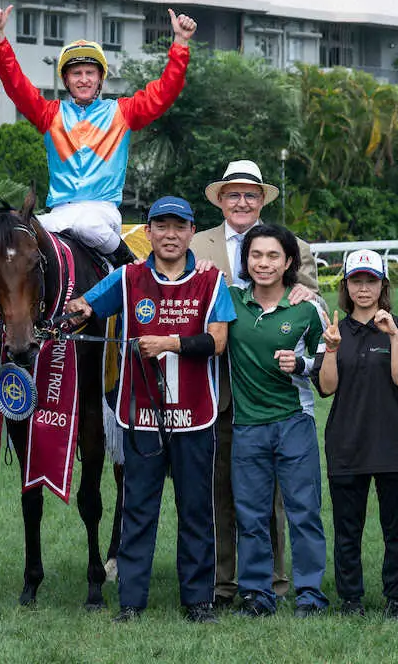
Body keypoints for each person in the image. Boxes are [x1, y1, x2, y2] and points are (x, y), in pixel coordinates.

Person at [66, 196, 235, 625]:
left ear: (192, 231)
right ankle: (131, 603)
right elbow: (83, 308)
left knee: (195, 509)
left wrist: (170, 343)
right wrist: (62, 316)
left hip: (195, 413)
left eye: (179, 227)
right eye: (162, 226)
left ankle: (198, 602)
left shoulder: (210, 281)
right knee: (138, 508)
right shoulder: (128, 277)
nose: (170, 235)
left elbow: (217, 342)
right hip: (140, 413)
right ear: (148, 233)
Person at [189, 159, 319, 606]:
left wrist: (307, 292)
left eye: (250, 194)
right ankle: (225, 583)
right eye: (233, 194)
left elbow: (310, 310)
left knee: (279, 499)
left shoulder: (294, 246)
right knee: (224, 494)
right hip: (215, 391)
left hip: (277, 397)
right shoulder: (197, 245)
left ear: (262, 199)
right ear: (220, 200)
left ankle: (275, 582)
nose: (242, 202)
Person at [0, 4, 197, 265]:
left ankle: (128, 263)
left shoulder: (122, 112)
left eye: (89, 73)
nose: (83, 79)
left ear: (100, 78)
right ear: (66, 80)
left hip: (101, 212)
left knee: (87, 226)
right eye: (76, 73)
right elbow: (15, 84)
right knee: (19, 234)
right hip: (60, 213)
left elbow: (164, 92)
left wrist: (180, 42)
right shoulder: (49, 114)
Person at [224, 224, 329, 619]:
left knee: (304, 511)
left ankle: (310, 595)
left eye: (273, 256)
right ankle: (256, 595)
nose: (263, 263)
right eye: (256, 255)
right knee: (251, 515)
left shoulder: (307, 308)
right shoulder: (230, 301)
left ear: (288, 262)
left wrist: (300, 364)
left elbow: (326, 364)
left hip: (294, 421)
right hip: (247, 425)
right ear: (245, 260)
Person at [314, 249, 398, 621]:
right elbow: (326, 388)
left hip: (394, 444)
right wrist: (331, 349)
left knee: (396, 529)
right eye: (356, 281)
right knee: (347, 530)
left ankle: (396, 599)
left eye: (370, 281)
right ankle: (351, 599)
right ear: (345, 286)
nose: (363, 289)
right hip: (347, 442)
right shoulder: (333, 331)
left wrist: (393, 336)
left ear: (382, 285)